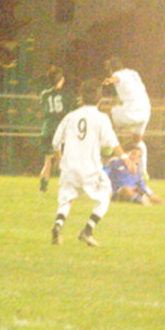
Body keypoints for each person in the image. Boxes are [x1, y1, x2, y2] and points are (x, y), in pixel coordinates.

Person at [50, 78, 134, 247]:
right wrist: (126, 159)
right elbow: (113, 143)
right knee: (105, 195)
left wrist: (59, 159)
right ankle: (87, 231)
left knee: (67, 198)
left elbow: (55, 142)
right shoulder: (101, 118)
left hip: (70, 167)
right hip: (90, 168)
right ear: (99, 99)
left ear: (81, 98)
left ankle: (58, 225)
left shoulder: (70, 117)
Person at [103, 57, 151, 178]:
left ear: (111, 70)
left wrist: (108, 81)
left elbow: (117, 78)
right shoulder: (133, 72)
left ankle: (107, 147)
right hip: (145, 110)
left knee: (107, 116)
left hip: (132, 111)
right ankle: (144, 173)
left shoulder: (118, 75)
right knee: (138, 140)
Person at [39, 66, 77, 192]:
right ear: (61, 79)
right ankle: (66, 186)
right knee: (61, 159)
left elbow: (43, 108)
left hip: (47, 128)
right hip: (60, 129)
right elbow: (71, 110)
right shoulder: (66, 94)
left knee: (47, 160)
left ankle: (43, 187)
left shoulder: (44, 94)